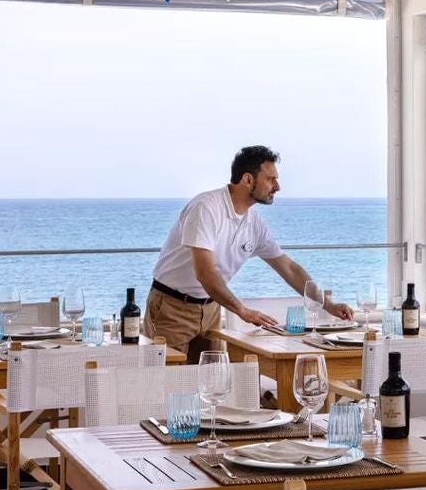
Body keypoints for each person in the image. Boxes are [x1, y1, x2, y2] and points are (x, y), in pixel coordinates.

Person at [144, 145, 355, 363]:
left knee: (215, 384)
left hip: (211, 308)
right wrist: (242, 311)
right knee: (166, 387)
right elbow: (205, 273)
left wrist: (328, 305)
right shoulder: (206, 208)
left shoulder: (253, 222)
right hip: (171, 308)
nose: (278, 187)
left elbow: (289, 268)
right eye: (271, 179)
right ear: (247, 180)